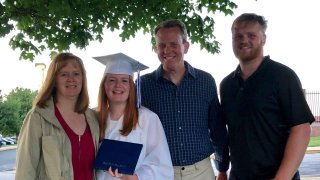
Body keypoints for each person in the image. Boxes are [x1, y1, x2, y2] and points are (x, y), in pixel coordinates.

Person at [220, 13, 315, 180]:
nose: (244, 40)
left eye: (251, 35)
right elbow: (229, 133)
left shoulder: (282, 76)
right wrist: (223, 171)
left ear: (263, 39)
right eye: (238, 36)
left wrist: (282, 177)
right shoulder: (227, 85)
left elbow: (301, 128)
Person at [140, 19, 229, 180]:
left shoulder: (205, 81)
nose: (167, 50)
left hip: (201, 172)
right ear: (156, 48)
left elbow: (218, 130)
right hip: (159, 173)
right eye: (161, 45)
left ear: (185, 46)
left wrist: (222, 168)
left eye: (173, 44)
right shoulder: (142, 85)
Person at [15, 53, 100, 180]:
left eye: (76, 73)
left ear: (83, 79)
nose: (71, 79)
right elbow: (25, 169)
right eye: (64, 74)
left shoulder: (93, 118)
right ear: (54, 81)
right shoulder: (38, 117)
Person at [94, 52, 174, 180]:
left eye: (124, 80)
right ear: (104, 85)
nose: (118, 85)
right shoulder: (93, 118)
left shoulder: (147, 119)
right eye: (112, 80)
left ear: (131, 86)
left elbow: (161, 164)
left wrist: (136, 177)